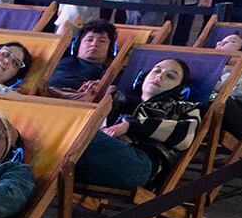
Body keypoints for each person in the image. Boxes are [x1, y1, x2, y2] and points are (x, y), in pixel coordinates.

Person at [73, 57, 203, 191]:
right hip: (101, 155)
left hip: (142, 164)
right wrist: (99, 95)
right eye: (156, 71)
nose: (160, 76)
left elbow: (186, 135)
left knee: (77, 136)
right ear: (142, 77)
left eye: (170, 76)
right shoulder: (119, 99)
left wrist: (130, 126)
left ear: (181, 90)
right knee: (70, 129)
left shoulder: (185, 108)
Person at [45, 19, 118, 100]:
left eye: (102, 41)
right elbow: (65, 23)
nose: (94, 44)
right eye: (89, 40)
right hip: (46, 91)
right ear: (79, 43)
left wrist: (100, 85)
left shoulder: (108, 71)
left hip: (76, 97)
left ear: (110, 48)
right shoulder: (62, 55)